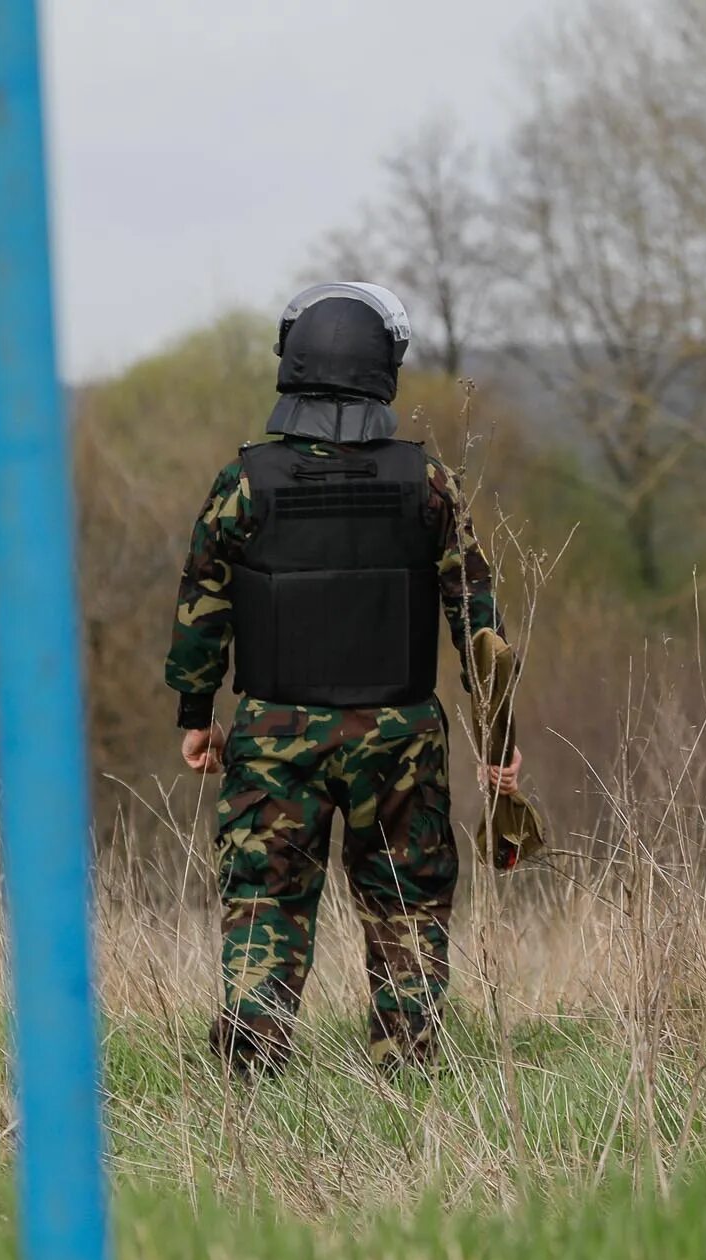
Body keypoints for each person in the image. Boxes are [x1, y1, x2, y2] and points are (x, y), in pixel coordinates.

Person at [166, 281, 524, 1075]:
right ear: (382, 372)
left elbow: (202, 609)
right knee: (407, 900)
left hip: (272, 738)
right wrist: (501, 738)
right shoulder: (428, 485)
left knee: (265, 898)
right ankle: (410, 1071)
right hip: (400, 737)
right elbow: (479, 620)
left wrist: (197, 713)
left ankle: (252, 1071)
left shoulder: (246, 482)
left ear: (291, 366)